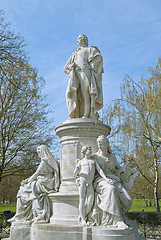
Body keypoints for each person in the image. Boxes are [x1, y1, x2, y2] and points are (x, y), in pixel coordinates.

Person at [9, 145, 59, 223]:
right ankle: (19, 215)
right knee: (26, 189)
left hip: (44, 183)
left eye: (39, 152)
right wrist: (27, 180)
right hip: (48, 182)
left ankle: (19, 215)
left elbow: (36, 174)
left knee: (22, 191)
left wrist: (26, 182)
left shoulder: (44, 162)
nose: (38, 154)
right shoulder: (52, 160)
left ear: (43, 152)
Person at [91, 135, 133, 229]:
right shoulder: (95, 157)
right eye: (98, 144)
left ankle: (122, 216)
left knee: (128, 200)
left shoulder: (112, 156)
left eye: (102, 144)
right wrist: (107, 179)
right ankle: (117, 220)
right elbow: (94, 171)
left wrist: (126, 166)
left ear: (107, 144)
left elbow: (119, 169)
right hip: (100, 181)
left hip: (114, 180)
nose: (99, 146)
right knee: (111, 189)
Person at [64, 34, 103, 119]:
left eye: (79, 39)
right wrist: (71, 66)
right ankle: (74, 114)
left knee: (86, 93)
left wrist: (91, 66)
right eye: (77, 39)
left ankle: (87, 114)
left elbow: (98, 58)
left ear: (85, 40)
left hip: (85, 72)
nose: (77, 41)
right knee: (74, 93)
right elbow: (66, 67)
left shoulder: (90, 49)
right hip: (75, 74)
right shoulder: (75, 53)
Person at [74, 145, 113, 226]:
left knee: (90, 202)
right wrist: (76, 172)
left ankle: (82, 216)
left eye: (91, 150)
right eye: (89, 150)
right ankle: (83, 219)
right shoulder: (81, 162)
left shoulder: (93, 161)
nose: (91, 151)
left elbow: (100, 170)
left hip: (90, 182)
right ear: (84, 151)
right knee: (82, 200)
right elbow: (76, 173)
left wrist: (106, 179)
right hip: (83, 181)